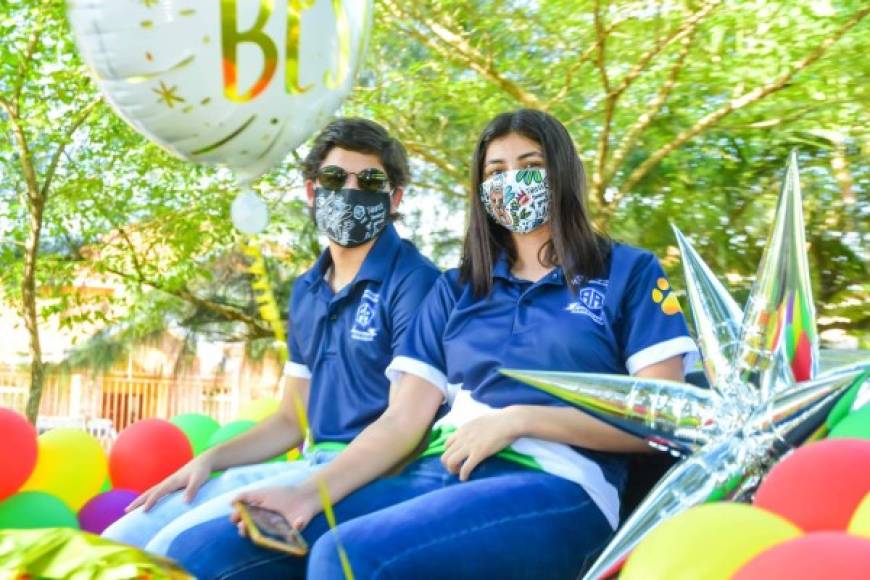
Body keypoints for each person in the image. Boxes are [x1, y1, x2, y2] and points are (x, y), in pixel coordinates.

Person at [167, 109, 698, 579]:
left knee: (347, 558)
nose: (513, 181)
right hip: (437, 472)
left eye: (530, 165)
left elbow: (663, 418)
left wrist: (520, 419)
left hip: (559, 480)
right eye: (496, 171)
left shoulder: (628, 271)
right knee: (207, 552)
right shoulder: (457, 287)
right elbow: (401, 422)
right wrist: (309, 492)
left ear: (563, 174)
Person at [102, 117, 440, 555]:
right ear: (311, 190)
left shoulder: (417, 281)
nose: (350, 190)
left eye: (370, 180)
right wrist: (208, 460)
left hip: (373, 474)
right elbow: (291, 419)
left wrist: (309, 492)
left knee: (174, 547)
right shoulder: (306, 289)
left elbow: (405, 424)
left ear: (394, 197)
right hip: (310, 460)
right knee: (124, 536)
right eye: (335, 177)